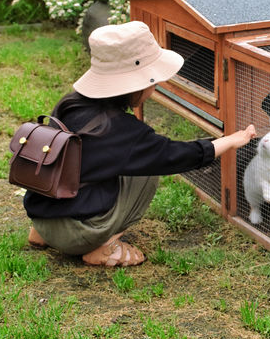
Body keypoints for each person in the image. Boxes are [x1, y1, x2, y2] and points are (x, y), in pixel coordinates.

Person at [24, 20, 255, 267]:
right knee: (146, 174)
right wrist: (231, 140)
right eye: (152, 80)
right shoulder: (121, 130)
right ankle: (102, 248)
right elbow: (175, 156)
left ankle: (41, 235)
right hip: (78, 233)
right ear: (137, 83)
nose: (154, 86)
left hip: (41, 213)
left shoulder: (71, 104)